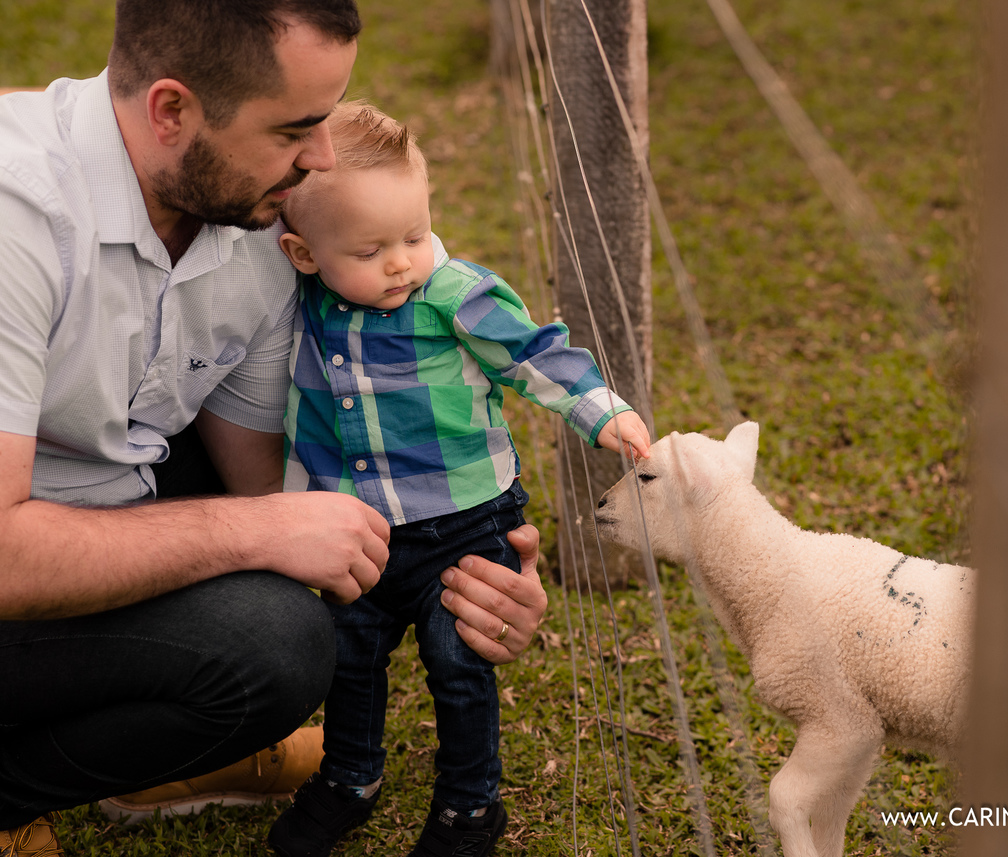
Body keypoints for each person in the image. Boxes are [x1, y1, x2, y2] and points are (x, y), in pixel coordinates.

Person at [0, 2, 547, 854]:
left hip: (100, 494)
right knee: (274, 644)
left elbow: (272, 481)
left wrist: (469, 567)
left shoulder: (260, 216)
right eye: (295, 128)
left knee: (299, 606)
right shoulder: (16, 215)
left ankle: (148, 745)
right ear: (172, 111)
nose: (321, 158)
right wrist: (251, 531)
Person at [265, 101, 652, 857]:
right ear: (303, 254)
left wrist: (600, 412)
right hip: (361, 528)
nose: (403, 260)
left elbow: (535, 352)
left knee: (457, 655)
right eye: (373, 248)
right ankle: (350, 777)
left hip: (466, 520)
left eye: (415, 233)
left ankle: (470, 804)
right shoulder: (301, 304)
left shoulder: (453, 294)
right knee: (351, 652)